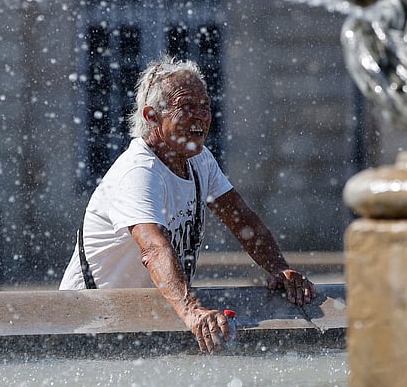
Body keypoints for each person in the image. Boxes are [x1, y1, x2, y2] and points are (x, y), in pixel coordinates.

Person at [60, 57, 317, 353]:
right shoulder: (138, 172)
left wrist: (279, 269)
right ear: (152, 116)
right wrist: (192, 311)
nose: (201, 117)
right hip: (85, 323)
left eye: (205, 106)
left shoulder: (199, 159)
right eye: (187, 107)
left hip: (143, 315)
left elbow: (242, 219)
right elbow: (154, 249)